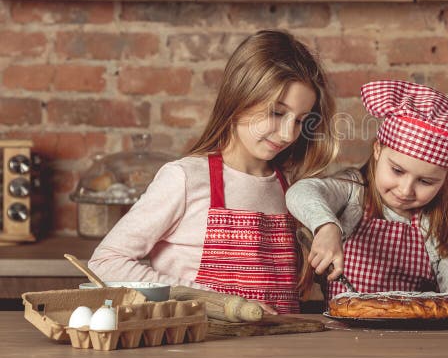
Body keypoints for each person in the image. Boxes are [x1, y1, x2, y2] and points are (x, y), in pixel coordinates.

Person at [89, 30, 338, 314]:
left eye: (300, 121)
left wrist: (328, 228)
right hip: (202, 352)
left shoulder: (291, 188)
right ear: (240, 96)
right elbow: (106, 262)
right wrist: (213, 301)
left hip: (277, 354)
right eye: (277, 113)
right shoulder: (185, 178)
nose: (287, 134)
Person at [286, 80, 448, 302]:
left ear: (446, 180)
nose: (406, 190)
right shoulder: (354, 192)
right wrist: (326, 226)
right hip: (344, 329)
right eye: (397, 171)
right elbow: (299, 192)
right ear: (377, 150)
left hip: (415, 329)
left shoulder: (435, 220)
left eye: (425, 182)